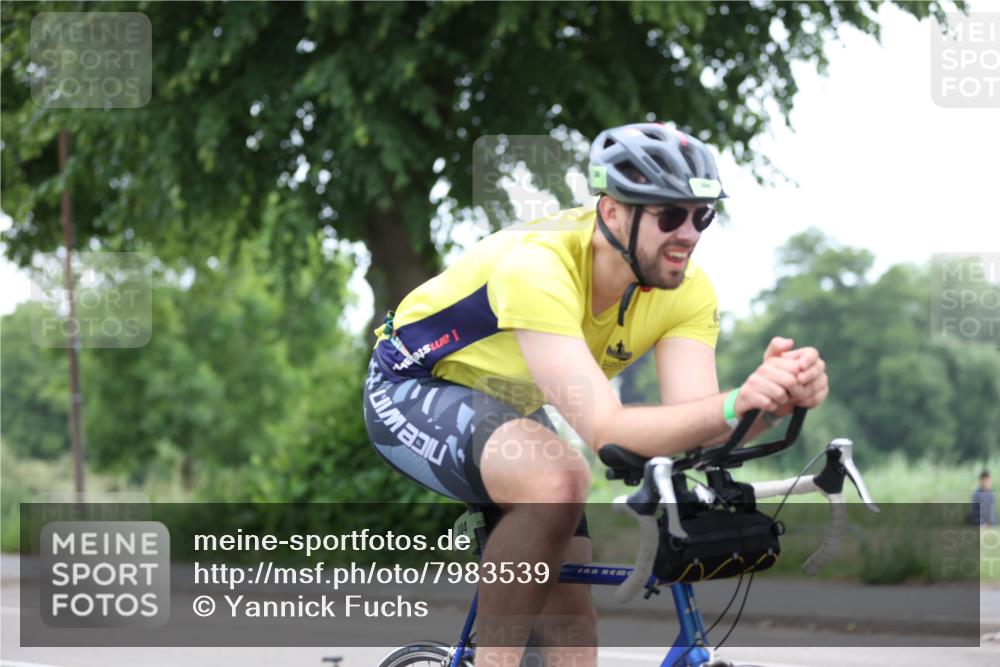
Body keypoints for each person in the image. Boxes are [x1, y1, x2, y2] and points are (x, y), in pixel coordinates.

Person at [363, 122, 829, 667]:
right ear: (612, 212)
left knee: (572, 626)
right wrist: (735, 402)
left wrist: (769, 405)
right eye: (669, 215)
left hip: (510, 401)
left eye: (702, 215)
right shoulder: (539, 266)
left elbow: (696, 428)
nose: (689, 233)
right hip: (416, 384)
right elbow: (605, 430)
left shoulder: (687, 289)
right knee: (557, 479)